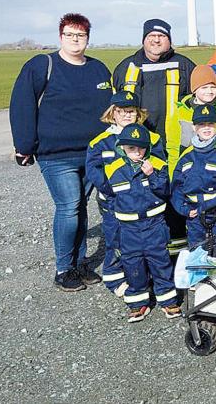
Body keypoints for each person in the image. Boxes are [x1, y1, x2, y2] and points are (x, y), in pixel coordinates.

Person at [10, 13, 111, 292]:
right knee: (68, 206)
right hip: (57, 154)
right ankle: (63, 268)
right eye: (70, 34)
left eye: (81, 35)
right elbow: (22, 104)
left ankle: (80, 263)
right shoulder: (43, 65)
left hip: (91, 153)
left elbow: (109, 110)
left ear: (88, 38)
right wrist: (24, 145)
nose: (75, 40)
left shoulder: (98, 69)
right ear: (60, 36)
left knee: (80, 208)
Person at [85, 92, 166, 296]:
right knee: (116, 240)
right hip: (113, 203)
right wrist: (113, 190)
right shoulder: (100, 142)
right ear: (112, 114)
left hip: (144, 203)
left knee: (143, 246)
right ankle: (114, 278)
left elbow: (158, 163)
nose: (126, 115)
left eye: (131, 111)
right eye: (121, 112)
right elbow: (94, 170)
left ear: (138, 114)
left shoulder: (152, 139)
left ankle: (141, 279)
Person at [100, 125, 180, 322]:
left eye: (140, 149)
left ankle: (168, 299)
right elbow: (108, 197)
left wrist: (151, 174)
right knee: (132, 264)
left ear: (147, 148)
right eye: (131, 149)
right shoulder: (113, 169)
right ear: (122, 148)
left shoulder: (158, 165)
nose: (136, 153)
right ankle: (137, 303)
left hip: (154, 225)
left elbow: (165, 190)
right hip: (129, 229)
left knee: (160, 261)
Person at [112, 18, 196, 166]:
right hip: (136, 145)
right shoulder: (126, 67)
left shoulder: (184, 66)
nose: (156, 40)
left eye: (162, 36)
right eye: (151, 36)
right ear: (144, 39)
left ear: (169, 40)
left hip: (177, 145)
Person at [171, 105, 216, 249]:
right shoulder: (186, 155)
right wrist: (183, 209)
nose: (206, 128)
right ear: (193, 127)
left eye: (210, 124)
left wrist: (210, 207)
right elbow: (177, 187)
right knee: (197, 259)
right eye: (202, 124)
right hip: (194, 216)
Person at [169, 65, 216, 158]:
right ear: (194, 90)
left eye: (213, 87)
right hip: (189, 164)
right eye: (204, 87)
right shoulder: (181, 112)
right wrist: (174, 171)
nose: (210, 91)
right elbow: (173, 147)